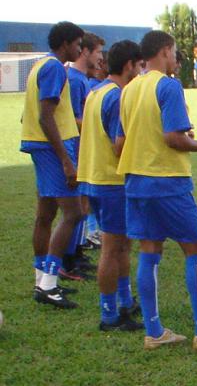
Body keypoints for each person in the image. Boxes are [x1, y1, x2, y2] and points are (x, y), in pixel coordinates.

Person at [116, 30, 197, 351]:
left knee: (150, 251)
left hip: (136, 181)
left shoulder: (128, 90)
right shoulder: (167, 86)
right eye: (174, 52)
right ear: (166, 51)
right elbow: (173, 138)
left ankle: (154, 330)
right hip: (167, 181)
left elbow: (121, 141)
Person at [76, 40, 145, 331]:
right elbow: (119, 146)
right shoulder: (116, 97)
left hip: (93, 178)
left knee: (121, 246)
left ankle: (125, 301)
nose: (142, 72)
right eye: (140, 66)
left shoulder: (96, 90)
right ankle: (109, 315)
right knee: (112, 248)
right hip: (111, 181)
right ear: (129, 65)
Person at [23, 21, 84, 308]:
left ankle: (41, 278)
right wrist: (65, 160)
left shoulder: (39, 66)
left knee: (45, 214)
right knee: (73, 214)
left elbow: (30, 115)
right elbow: (45, 116)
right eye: (78, 44)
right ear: (65, 43)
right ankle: (48, 284)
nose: (80, 49)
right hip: (52, 148)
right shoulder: (55, 68)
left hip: (42, 147)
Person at [63, 31, 106, 280]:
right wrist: (99, 122)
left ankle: (76, 253)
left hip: (82, 149)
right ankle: (69, 258)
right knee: (76, 207)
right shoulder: (76, 80)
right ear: (85, 52)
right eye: (98, 51)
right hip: (76, 149)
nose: (101, 57)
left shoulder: (80, 79)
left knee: (82, 204)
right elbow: (71, 118)